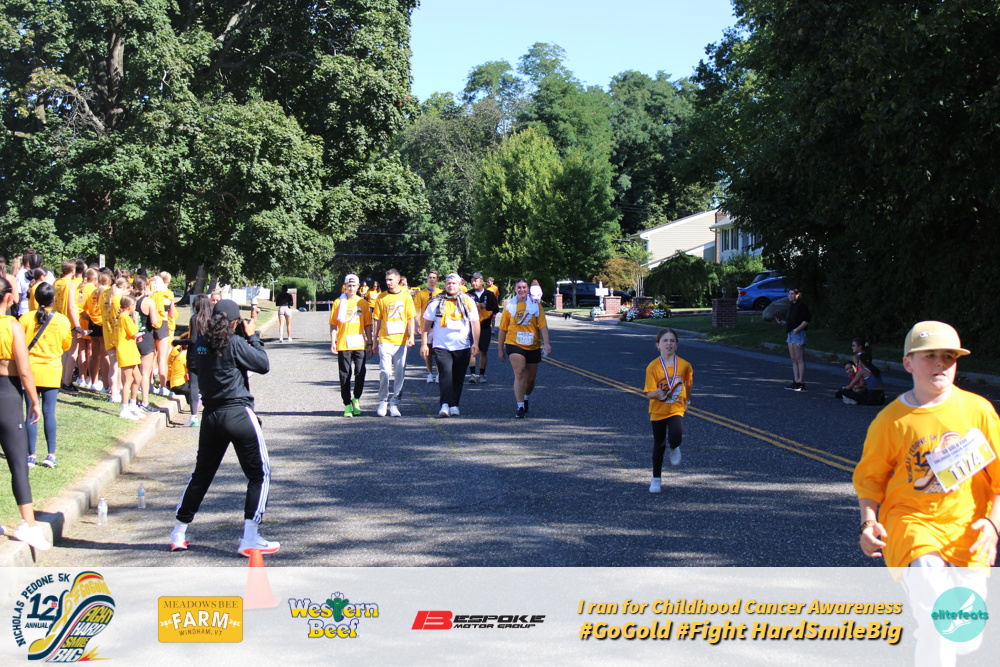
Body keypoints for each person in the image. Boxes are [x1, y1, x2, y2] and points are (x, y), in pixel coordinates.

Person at [855, 321, 1000, 666]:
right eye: (929, 355)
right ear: (908, 363)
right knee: (937, 615)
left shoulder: (978, 411)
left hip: (969, 530)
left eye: (948, 356)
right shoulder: (892, 421)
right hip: (911, 524)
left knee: (965, 637)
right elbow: (870, 479)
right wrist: (868, 523)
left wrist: (993, 525)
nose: (940, 363)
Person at [170, 299, 276, 556]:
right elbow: (262, 364)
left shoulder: (200, 344)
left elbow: (196, 365)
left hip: (211, 415)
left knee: (201, 474)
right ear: (235, 322)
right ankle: (250, 536)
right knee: (259, 474)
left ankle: (178, 532)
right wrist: (253, 337)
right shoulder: (236, 342)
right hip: (237, 412)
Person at [0, 277, 51, 550]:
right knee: (18, 462)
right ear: (9, 298)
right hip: (6, 394)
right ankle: (29, 525)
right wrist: (34, 401)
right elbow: (24, 369)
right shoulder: (12, 325)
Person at [19, 282, 73, 467]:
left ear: (35, 298)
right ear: (54, 299)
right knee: (49, 412)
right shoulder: (62, 320)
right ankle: (51, 454)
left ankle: (31, 454)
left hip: (30, 371)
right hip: (52, 370)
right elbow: (66, 345)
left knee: (30, 411)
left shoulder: (25, 318)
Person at [420, 273, 479, 418]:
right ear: (445, 285)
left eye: (454, 283)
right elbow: (426, 324)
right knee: (445, 373)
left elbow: (475, 323)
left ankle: (454, 404)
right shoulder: (436, 301)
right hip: (441, 345)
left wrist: (476, 343)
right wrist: (424, 343)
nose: (451, 286)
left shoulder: (468, 301)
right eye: (448, 283)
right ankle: (444, 404)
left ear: (460, 285)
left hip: (462, 346)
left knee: (458, 376)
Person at [642, 329, 693, 493]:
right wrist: (655, 394)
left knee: (676, 437)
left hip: (676, 408)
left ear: (677, 345)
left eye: (672, 341)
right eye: (665, 341)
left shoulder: (685, 365)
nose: (669, 344)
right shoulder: (653, 366)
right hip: (657, 411)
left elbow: (688, 384)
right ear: (658, 345)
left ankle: (675, 447)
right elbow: (648, 392)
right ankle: (656, 479)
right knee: (659, 444)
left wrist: (687, 400)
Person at [497, 279, 552, 418]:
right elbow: (502, 329)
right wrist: (500, 349)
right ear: (515, 289)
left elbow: (543, 326)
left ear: (528, 289)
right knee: (520, 372)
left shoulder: (536, 306)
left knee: (531, 379)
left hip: (533, 344)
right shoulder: (509, 306)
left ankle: (525, 396)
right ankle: (520, 405)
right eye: (519, 287)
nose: (521, 290)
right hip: (514, 343)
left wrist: (546, 343)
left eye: (524, 287)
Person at [371, 268, 416, 417]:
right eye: (387, 280)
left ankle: (395, 402)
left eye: (391, 279)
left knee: (399, 373)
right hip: (385, 340)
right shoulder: (381, 297)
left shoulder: (406, 296)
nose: (388, 282)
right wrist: (374, 340)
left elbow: (410, 317)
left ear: (398, 280)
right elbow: (377, 319)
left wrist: (411, 336)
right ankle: (383, 400)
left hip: (401, 341)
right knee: (385, 371)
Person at [330, 274, 372, 417]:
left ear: (358, 286)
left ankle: (356, 398)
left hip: (359, 343)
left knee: (360, 372)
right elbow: (333, 325)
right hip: (343, 343)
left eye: (354, 286)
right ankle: (347, 403)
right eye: (349, 286)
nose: (351, 288)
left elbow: (367, 324)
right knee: (345, 374)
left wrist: (370, 342)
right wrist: (333, 342)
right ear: (345, 286)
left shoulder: (363, 303)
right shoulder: (338, 302)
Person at [52, 260, 83, 391]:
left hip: (56, 318)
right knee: (72, 352)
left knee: (62, 352)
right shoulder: (70, 284)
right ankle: (67, 381)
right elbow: (71, 306)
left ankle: (60, 379)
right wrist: (77, 325)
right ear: (73, 270)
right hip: (68, 321)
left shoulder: (56, 282)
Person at [115, 295, 144, 421]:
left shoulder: (124, 317)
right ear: (129, 306)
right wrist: (136, 320)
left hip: (131, 351)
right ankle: (124, 408)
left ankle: (133, 404)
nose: (135, 307)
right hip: (126, 351)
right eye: (134, 305)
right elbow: (134, 332)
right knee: (128, 381)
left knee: (138, 378)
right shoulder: (124, 317)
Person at [776, 287, 809, 391]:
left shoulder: (802, 305)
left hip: (798, 334)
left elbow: (806, 320)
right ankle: (795, 381)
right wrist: (783, 322)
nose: (790, 296)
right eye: (789, 294)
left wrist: (797, 329)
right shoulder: (792, 306)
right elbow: (793, 322)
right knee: (793, 359)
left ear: (798, 294)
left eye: (792, 294)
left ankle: (801, 383)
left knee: (799, 359)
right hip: (790, 334)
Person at [467, 273, 498, 384]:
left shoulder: (489, 294)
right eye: (472, 281)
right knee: (472, 350)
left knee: (483, 351)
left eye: (475, 280)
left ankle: (482, 374)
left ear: (481, 281)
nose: (473, 283)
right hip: (471, 327)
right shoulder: (468, 294)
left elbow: (496, 309)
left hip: (485, 326)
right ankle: (472, 374)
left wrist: (486, 306)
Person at [836, 338, 886, 406]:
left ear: (861, 362)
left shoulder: (862, 371)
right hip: (881, 399)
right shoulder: (875, 369)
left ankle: (851, 399)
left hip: (872, 399)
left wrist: (845, 389)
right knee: (857, 390)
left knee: (844, 391)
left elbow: (849, 386)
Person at [413, 270, 442, 383]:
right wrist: (417, 324)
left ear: (437, 279)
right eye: (430, 277)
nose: (432, 279)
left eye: (434, 277)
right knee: (428, 350)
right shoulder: (421, 294)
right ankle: (430, 373)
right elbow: (417, 310)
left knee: (439, 351)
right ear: (427, 279)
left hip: (438, 326)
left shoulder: (441, 293)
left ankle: (439, 373)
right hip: (426, 326)